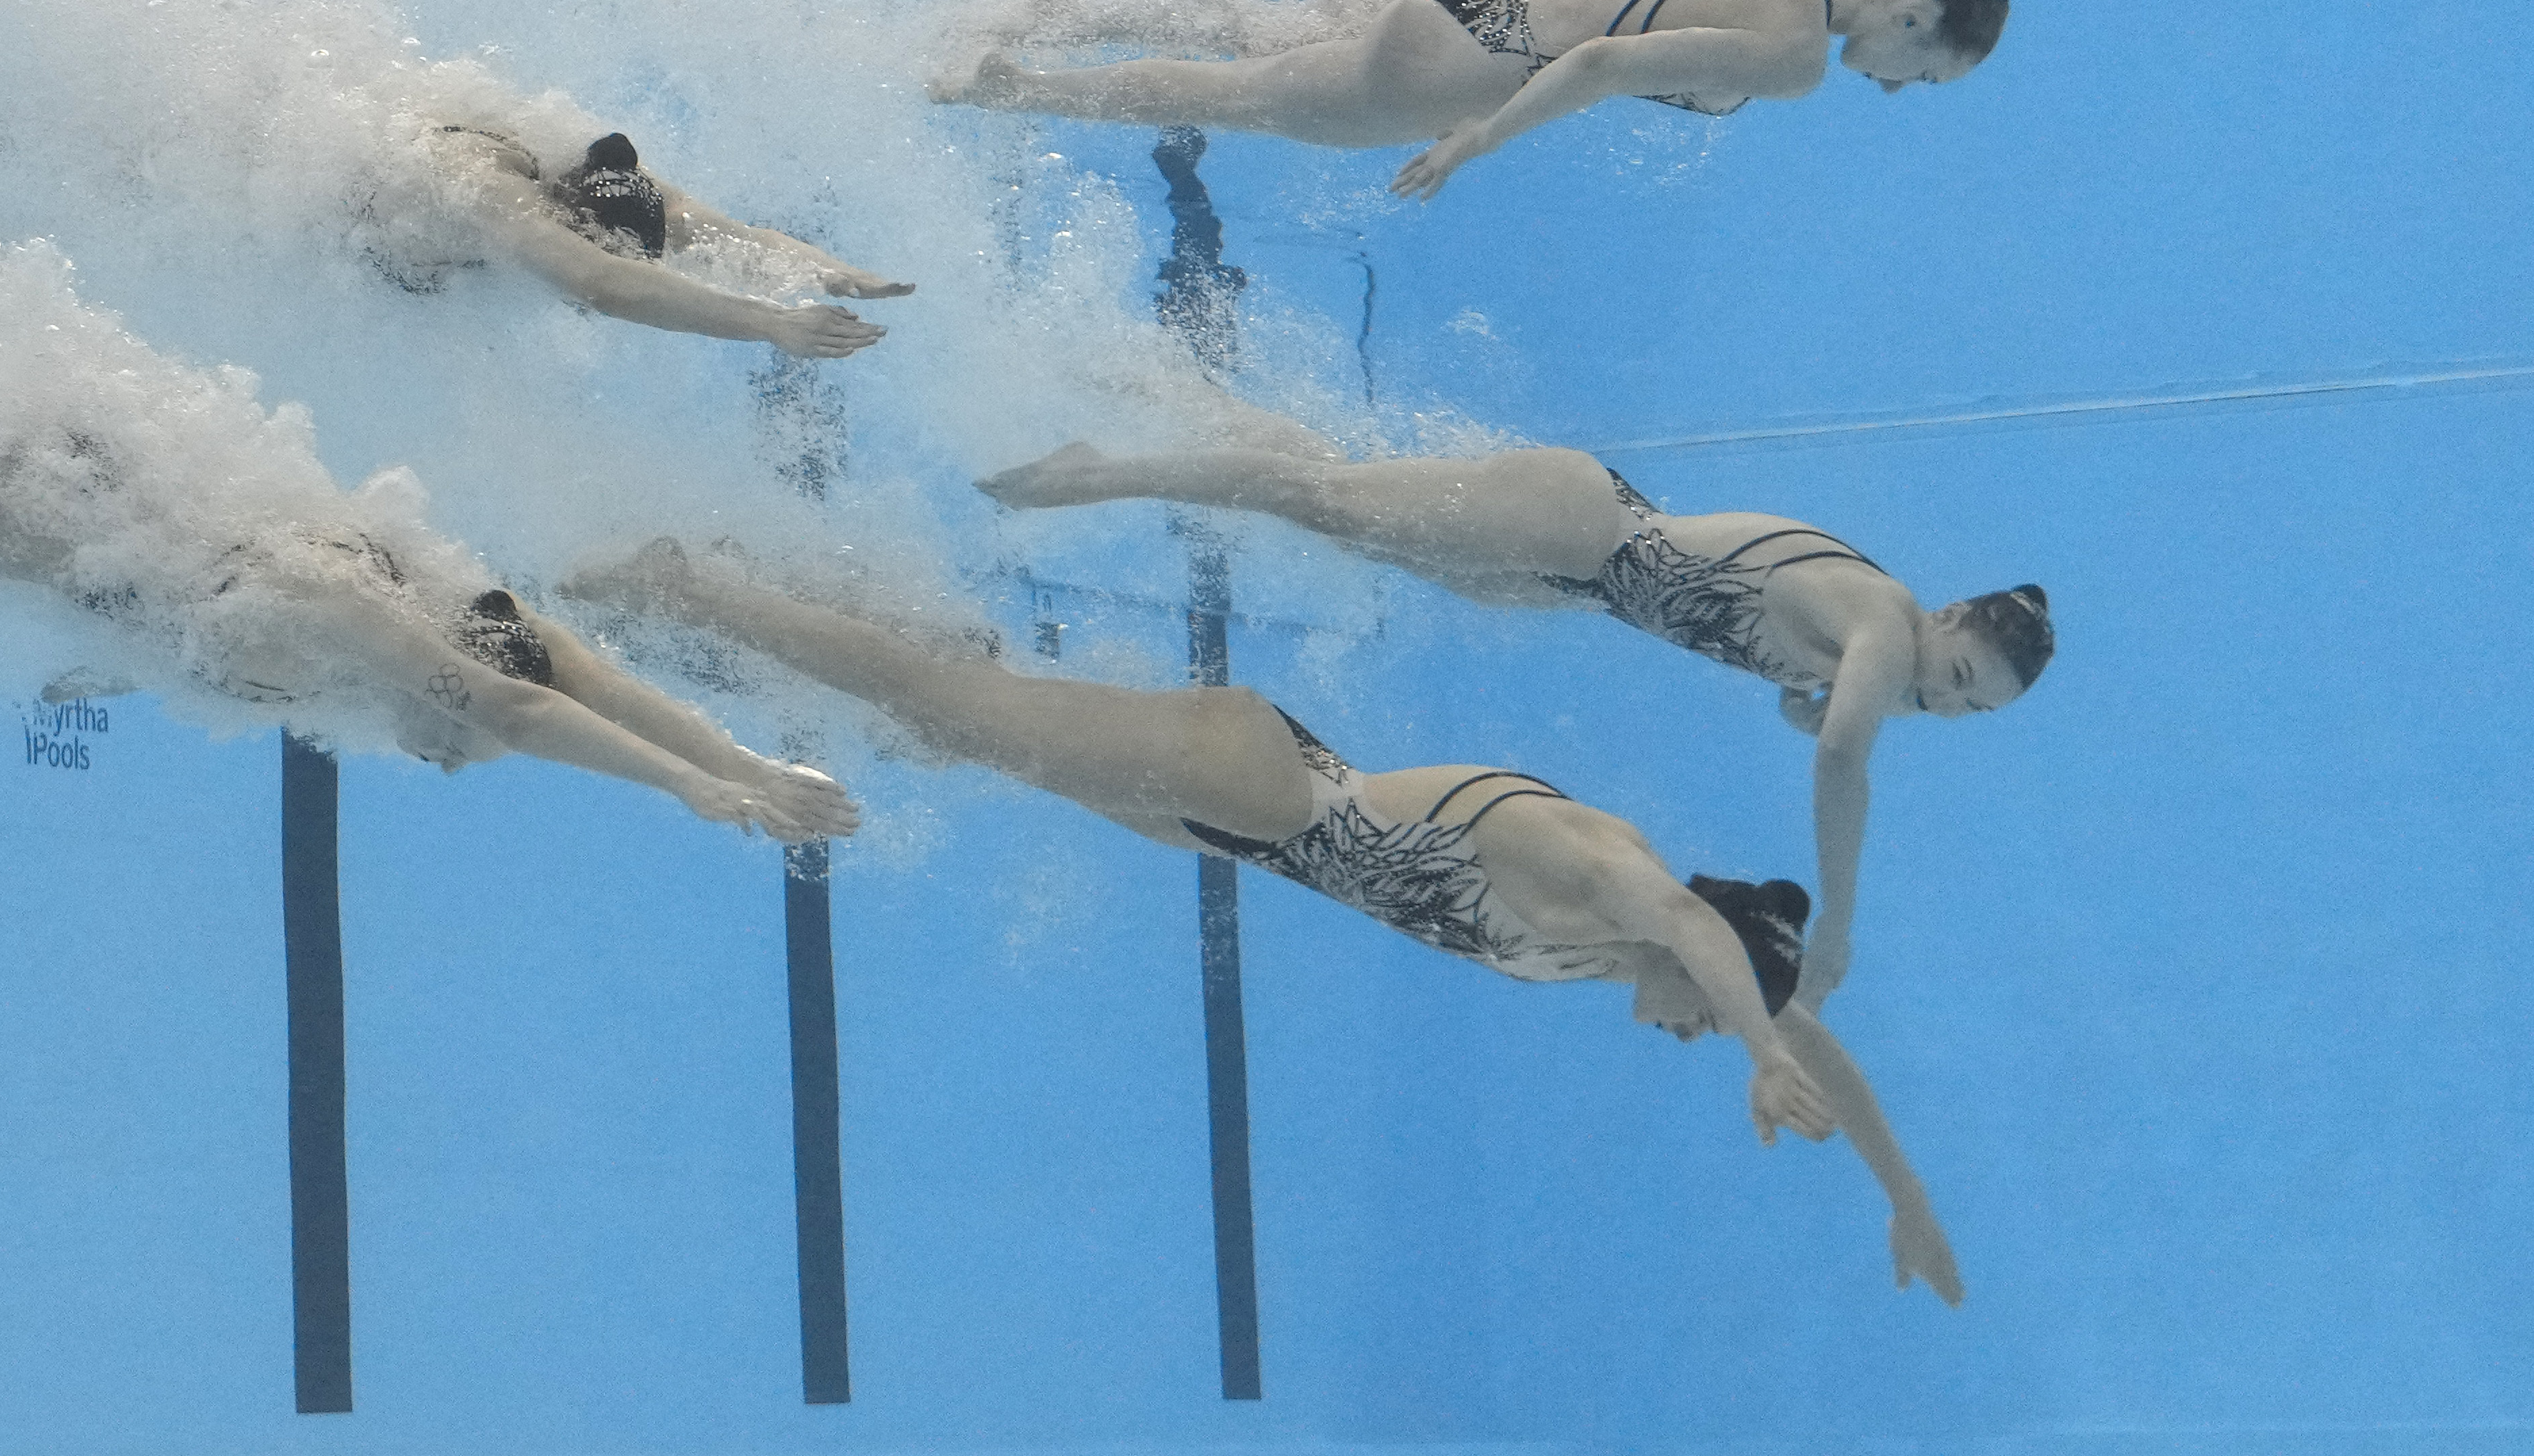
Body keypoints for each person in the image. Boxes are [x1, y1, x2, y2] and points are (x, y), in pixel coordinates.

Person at [567, 539, 1964, 1303]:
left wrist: (1903, 1200)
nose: (1689, 1037)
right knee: (951, 709)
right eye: (1711, 1020)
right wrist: (1754, 1053)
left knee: (961, 723)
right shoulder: (1615, 879)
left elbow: (1814, 1043)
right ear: (1706, 968)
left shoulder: (1629, 955)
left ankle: (792, 592)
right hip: (1261, 780)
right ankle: (690, 582)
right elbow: (1719, 960)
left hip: (1240, 829)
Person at [0, 160, 858, 839]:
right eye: (460, 739)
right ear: (444, 687)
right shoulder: (351, 616)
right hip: (37, 509)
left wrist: (742, 763)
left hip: (102, 506)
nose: (454, 767)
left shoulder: (418, 625)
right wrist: (693, 795)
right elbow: (518, 709)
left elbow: (572, 682)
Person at [977, 434, 2051, 1004]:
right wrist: (1839, 928)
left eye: (1969, 706)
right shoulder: (1881, 624)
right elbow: (1842, 765)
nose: (1943, 697)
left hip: (1569, 577)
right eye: (1957, 669)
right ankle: (1101, 470)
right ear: (1943, 613)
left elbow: (1790, 664)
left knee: (1346, 509)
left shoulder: (1872, 652)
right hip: (1578, 525)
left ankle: (1215, 418)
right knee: (1328, 501)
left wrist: (1796, 690)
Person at [931, 0, 2011, 198]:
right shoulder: (1793, 54)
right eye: (1922, 73)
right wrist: (1475, 139)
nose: (1894, 86)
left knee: (1255, 22)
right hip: (1460, 68)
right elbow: (1600, 64)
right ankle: (1015, 86)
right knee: (1232, 94)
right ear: (1914, 16)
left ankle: (1069, 13)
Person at [367, 114, 912, 357]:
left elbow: (727, 234)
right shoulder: (483, 189)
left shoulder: (595, 172)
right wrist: (773, 323)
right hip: (354, 232)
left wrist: (831, 271)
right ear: (572, 228)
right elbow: (601, 283)